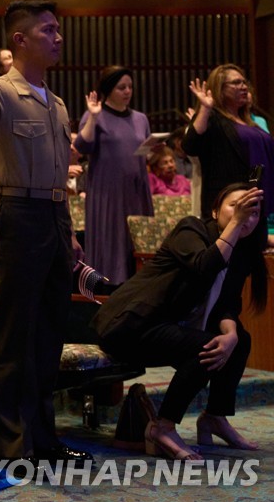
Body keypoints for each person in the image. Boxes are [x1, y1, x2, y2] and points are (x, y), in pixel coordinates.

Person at [0, 0, 90, 465]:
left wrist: (68, 231)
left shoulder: (58, 103)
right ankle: (12, 446)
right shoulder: (0, 92)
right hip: (17, 216)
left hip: (54, 217)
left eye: (57, 29)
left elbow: (59, 177)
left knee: (49, 336)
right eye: (48, 30)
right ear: (19, 39)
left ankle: (44, 440)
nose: (58, 37)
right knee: (13, 338)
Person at [93, 183, 264, 461]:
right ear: (214, 210)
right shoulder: (191, 229)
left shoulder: (241, 253)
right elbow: (203, 266)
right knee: (207, 345)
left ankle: (214, 417)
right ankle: (163, 426)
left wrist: (230, 334)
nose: (245, 216)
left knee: (239, 340)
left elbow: (227, 304)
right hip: (130, 326)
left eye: (252, 212)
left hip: (166, 328)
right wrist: (236, 223)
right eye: (235, 206)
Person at [184, 64, 273, 305]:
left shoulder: (252, 121)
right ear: (219, 89)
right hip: (231, 209)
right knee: (227, 280)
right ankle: (221, 328)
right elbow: (190, 145)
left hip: (256, 207)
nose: (243, 86)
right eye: (235, 83)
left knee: (249, 277)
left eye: (244, 82)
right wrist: (204, 108)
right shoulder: (214, 119)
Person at [74, 66, 153, 283]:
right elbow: (82, 145)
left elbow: (143, 150)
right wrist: (92, 117)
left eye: (130, 87)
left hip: (136, 189)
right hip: (107, 190)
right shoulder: (96, 115)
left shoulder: (140, 118)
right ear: (109, 90)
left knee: (136, 241)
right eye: (121, 87)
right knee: (111, 241)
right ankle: (107, 287)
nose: (127, 91)